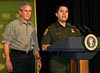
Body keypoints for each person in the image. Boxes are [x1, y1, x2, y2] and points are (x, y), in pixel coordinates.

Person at [41, 4, 82, 73]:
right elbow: (44, 47)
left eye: (66, 12)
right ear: (56, 14)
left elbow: (81, 43)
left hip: (72, 60)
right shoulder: (51, 29)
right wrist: (57, 47)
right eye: (61, 11)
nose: (64, 14)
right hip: (58, 61)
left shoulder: (74, 29)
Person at [2, 2, 42, 73]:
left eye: (30, 11)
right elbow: (6, 44)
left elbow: (35, 45)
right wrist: (8, 60)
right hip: (17, 58)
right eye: (26, 11)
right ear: (20, 12)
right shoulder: (12, 25)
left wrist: (38, 59)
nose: (28, 13)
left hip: (30, 58)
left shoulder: (32, 26)